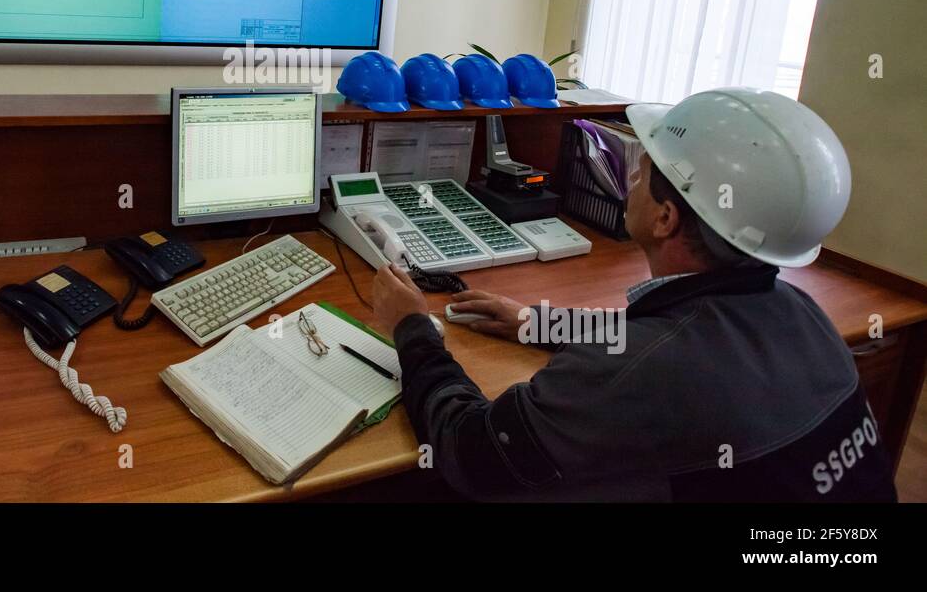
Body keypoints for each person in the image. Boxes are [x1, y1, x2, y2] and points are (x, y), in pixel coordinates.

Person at [372, 88, 897, 501]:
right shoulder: (799, 311)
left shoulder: (632, 374)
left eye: (643, 169)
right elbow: (664, 339)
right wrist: (538, 322)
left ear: (666, 218)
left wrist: (413, 329)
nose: (633, 175)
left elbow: (471, 452)